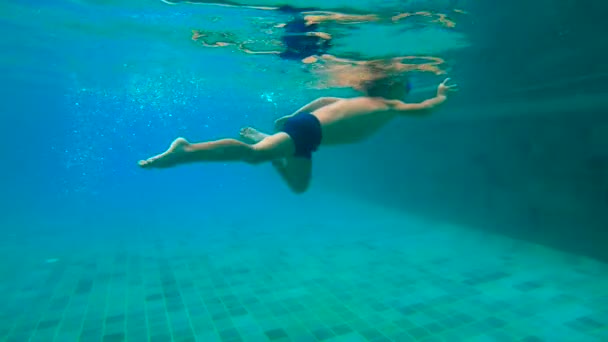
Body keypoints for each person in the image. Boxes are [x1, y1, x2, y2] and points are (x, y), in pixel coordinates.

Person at [138, 75, 458, 193]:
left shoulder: (354, 100)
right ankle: (186, 149)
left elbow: (322, 101)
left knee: (298, 186)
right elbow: (427, 108)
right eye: (407, 85)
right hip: (307, 131)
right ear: (394, 87)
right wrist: (442, 93)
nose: (407, 90)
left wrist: (293, 115)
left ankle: (270, 147)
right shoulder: (389, 104)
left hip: (308, 136)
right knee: (254, 156)